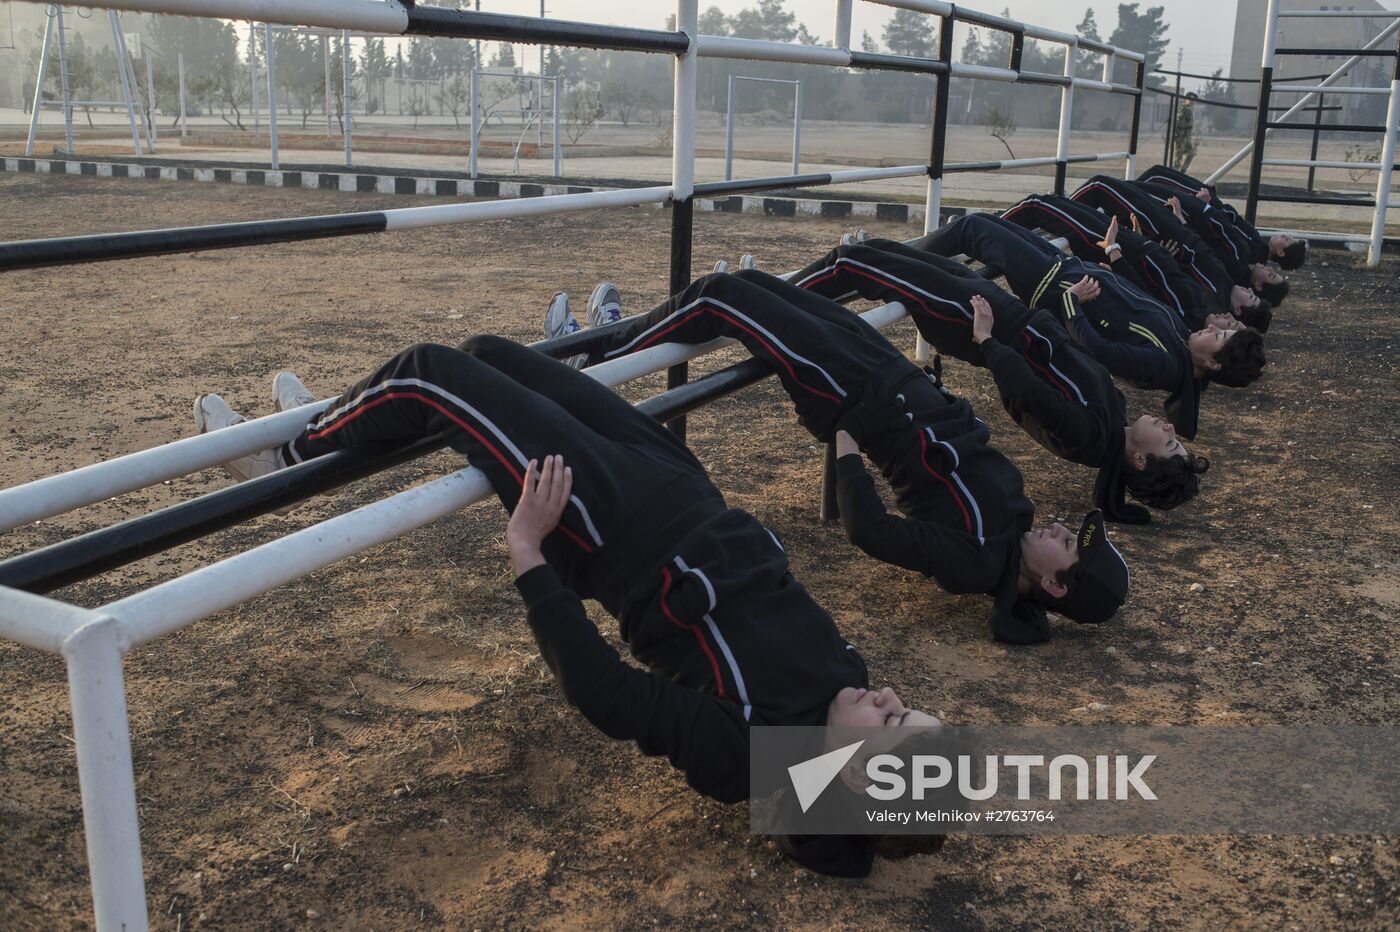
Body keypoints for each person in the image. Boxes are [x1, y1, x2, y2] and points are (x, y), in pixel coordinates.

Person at [193, 336, 945, 877]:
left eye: (889, 721)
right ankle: (338, 419)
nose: (886, 695)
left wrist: (529, 554)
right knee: (490, 352)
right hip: (683, 485)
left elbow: (606, 694)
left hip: (611, 524)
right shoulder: (844, 681)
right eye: (904, 706)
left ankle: (283, 459)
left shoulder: (747, 754)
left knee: (433, 374)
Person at [560, 268, 1131, 644]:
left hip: (852, 394)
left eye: (1068, 544)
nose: (1060, 527)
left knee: (719, 295)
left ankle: (597, 359)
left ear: (1055, 586)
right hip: (890, 373)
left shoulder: (978, 562)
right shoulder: (1018, 522)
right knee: (749, 281)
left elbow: (873, 531)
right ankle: (610, 341)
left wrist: (847, 444)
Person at [784, 235, 1208, 520]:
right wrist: (1068, 304)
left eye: (1170, 443)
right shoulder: (1112, 421)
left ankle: (769, 299)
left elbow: (1026, 393)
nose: (1169, 427)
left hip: (982, 324)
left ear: (1140, 460)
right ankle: (772, 295)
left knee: (856, 262)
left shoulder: (1091, 438)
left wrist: (986, 340)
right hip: (1005, 315)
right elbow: (1069, 356)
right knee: (875, 249)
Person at [914, 212, 1267, 440]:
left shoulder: (1164, 365)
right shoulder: (1181, 339)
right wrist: (1113, 256)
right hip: (1068, 268)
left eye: (1219, 336)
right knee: (981, 223)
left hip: (1054, 285)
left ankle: (892, 254)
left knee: (972, 228)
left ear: (1213, 363)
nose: (1212, 328)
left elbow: (1099, 351)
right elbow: (1143, 298)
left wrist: (1071, 302)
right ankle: (905, 251)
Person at [1001, 194, 1273, 332]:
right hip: (1133, 246)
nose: (1227, 318)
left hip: (1121, 250)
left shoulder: (1185, 317)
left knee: (1039, 206)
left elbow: (1141, 291)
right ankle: (991, 225)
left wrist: (1115, 251)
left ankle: (980, 230)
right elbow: (1161, 277)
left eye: (1230, 327)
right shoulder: (1200, 307)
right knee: (1047, 204)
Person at [1135, 163, 1308, 270]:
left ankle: (1124, 188)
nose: (1284, 236)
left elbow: (1216, 232)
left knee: (1155, 176)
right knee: (1155, 174)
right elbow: (1230, 220)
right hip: (1208, 205)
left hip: (1200, 209)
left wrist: (1206, 205)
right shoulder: (1255, 240)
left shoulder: (1248, 252)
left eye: (1287, 240)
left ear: (1280, 252)